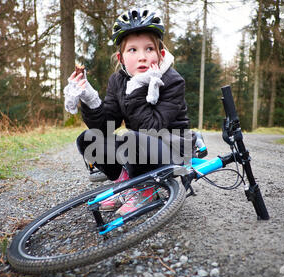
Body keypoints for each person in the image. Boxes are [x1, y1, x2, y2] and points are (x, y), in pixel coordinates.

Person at [63, 8, 193, 215]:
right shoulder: (118, 81)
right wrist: (90, 98)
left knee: (133, 137)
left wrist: (136, 89)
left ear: (160, 54)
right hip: (140, 146)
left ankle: (146, 190)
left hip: (171, 148)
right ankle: (125, 186)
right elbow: (106, 127)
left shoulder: (172, 81)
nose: (142, 57)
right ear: (121, 58)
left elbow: (150, 128)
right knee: (88, 139)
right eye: (132, 50)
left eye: (149, 49)